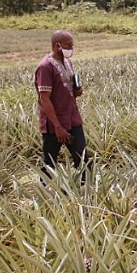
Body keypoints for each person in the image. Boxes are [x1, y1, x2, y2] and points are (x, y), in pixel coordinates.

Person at [35, 30, 90, 183]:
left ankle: (89, 193)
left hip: (72, 119)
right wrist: (57, 126)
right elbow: (44, 99)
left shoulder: (67, 62)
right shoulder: (45, 67)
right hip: (54, 124)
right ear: (57, 45)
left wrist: (78, 90)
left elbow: (69, 89)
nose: (71, 48)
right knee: (50, 163)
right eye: (69, 45)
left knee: (83, 158)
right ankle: (44, 197)